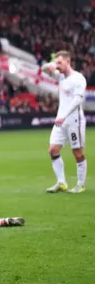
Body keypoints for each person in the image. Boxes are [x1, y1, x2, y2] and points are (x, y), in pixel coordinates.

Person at [41, 51, 87, 193]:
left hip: (74, 120)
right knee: (53, 150)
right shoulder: (60, 76)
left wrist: (64, 115)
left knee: (77, 152)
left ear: (68, 61)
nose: (57, 65)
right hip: (60, 120)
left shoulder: (78, 78)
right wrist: (51, 64)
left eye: (60, 62)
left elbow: (78, 99)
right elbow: (43, 69)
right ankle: (61, 183)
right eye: (56, 62)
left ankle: (80, 184)